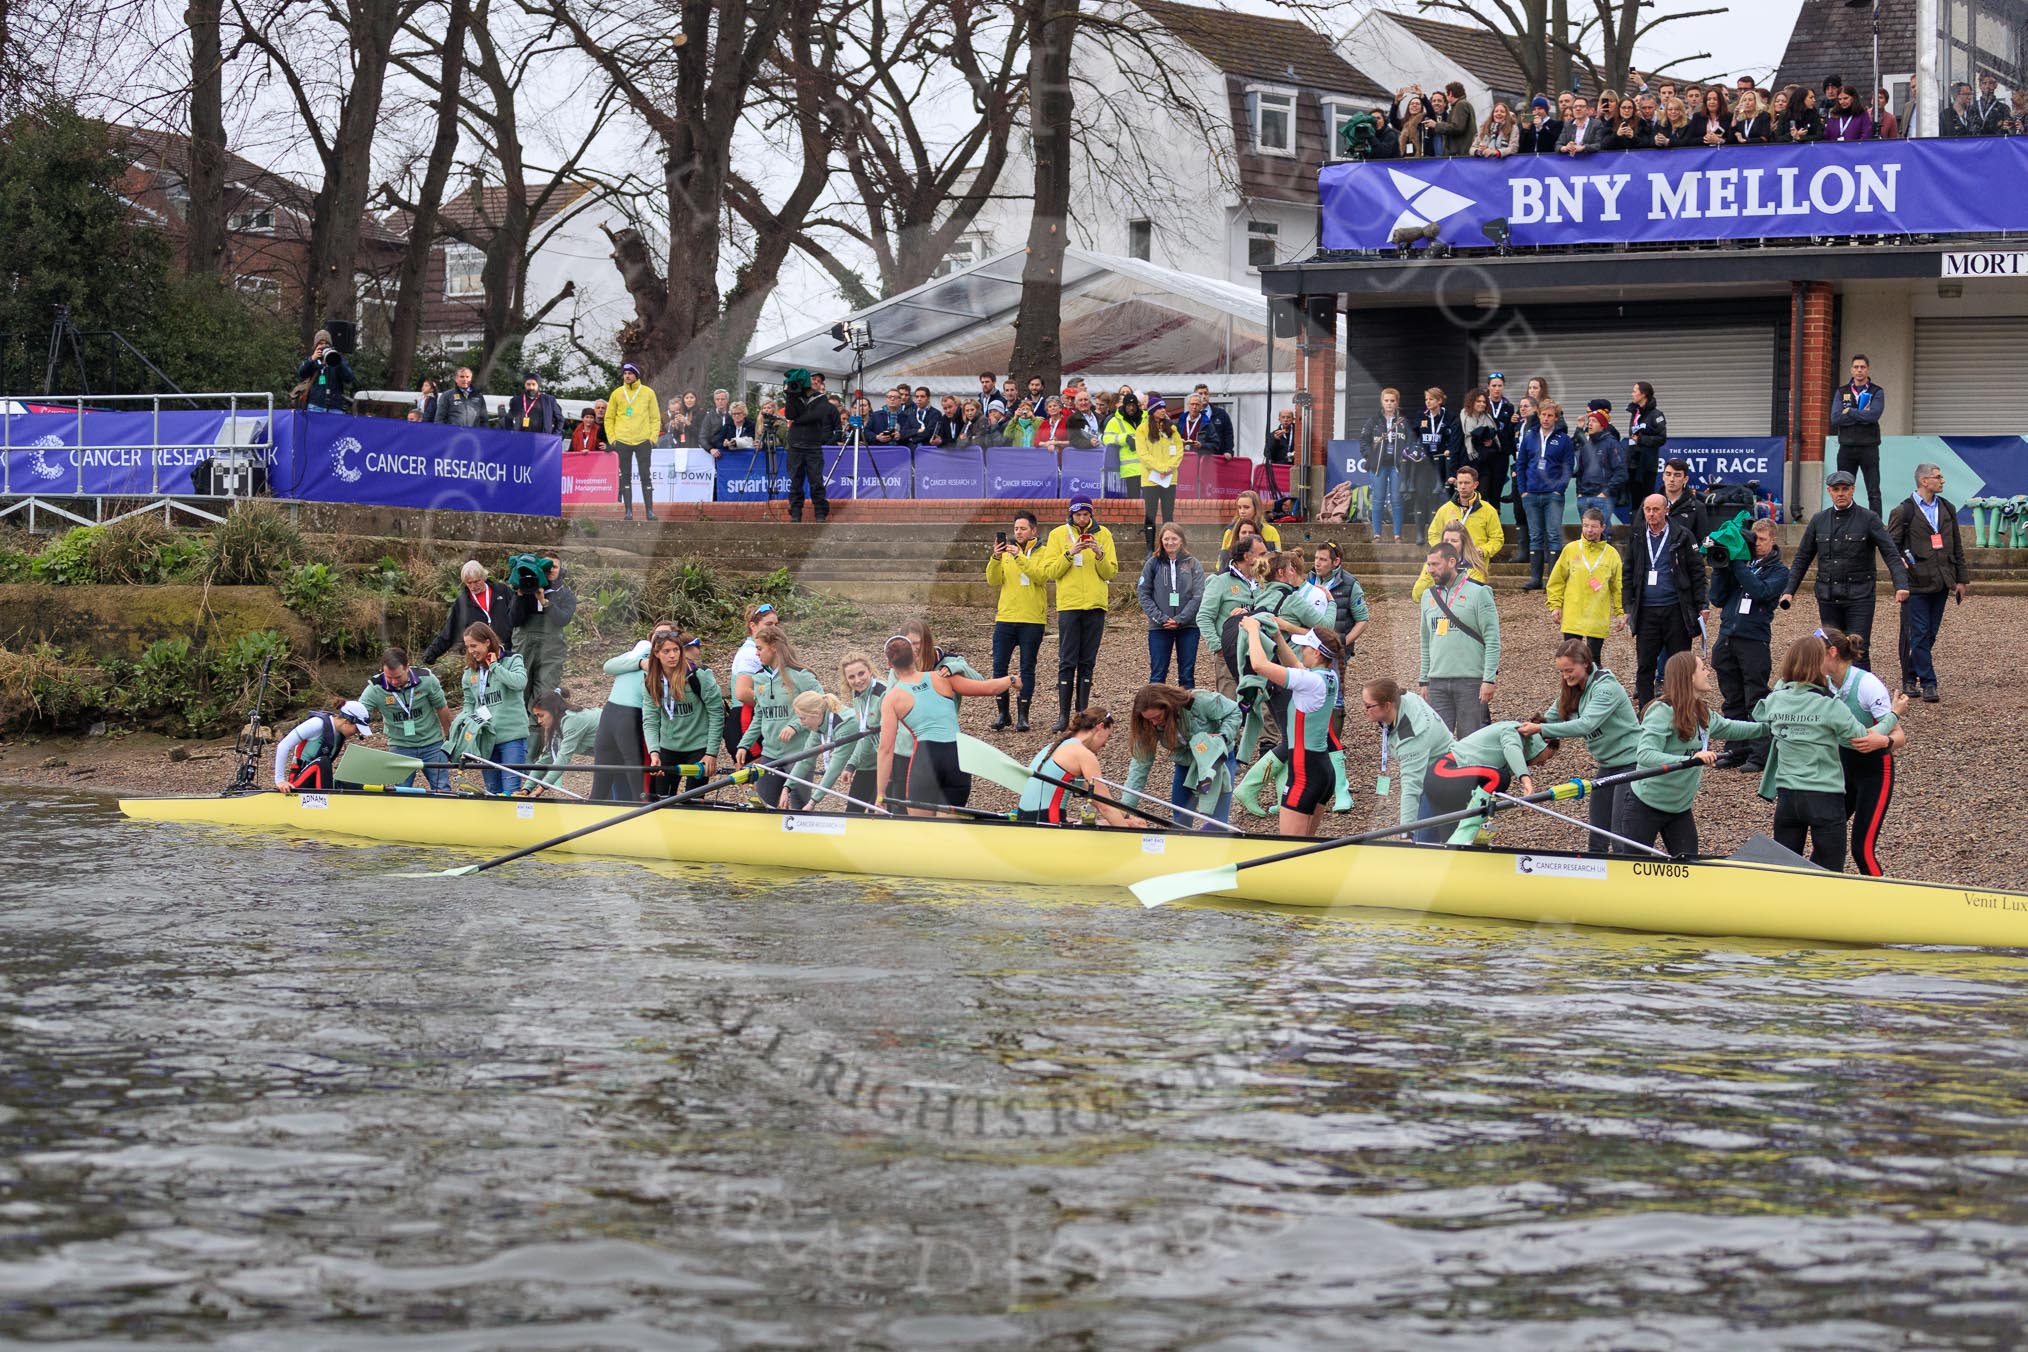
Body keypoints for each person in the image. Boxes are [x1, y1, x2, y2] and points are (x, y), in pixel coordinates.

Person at [1752, 633, 1891, 872]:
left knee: (1784, 871)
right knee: (1829, 873)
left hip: (1787, 798)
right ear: (1818, 663)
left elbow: (1760, 717)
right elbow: (1863, 737)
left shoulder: (1775, 700)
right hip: (1824, 797)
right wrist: (1894, 715)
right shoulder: (1830, 705)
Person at [1618, 652, 1767, 856]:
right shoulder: (1661, 711)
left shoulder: (1701, 711)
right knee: (1633, 871)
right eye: (1703, 668)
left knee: (1690, 869)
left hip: (1679, 808)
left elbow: (1731, 728)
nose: (1708, 672)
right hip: (1645, 806)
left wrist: (1768, 728)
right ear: (1690, 678)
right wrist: (1690, 760)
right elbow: (1645, 755)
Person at [1519, 640, 1641, 853]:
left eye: (1569, 670)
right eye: (1561, 672)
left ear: (1585, 663)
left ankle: (1629, 878)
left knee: (1620, 834)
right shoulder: (1573, 689)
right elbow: (1548, 718)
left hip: (1631, 765)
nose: (1565, 676)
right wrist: (1515, 731)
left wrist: (1540, 730)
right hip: (1607, 764)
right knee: (1598, 832)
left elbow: (1586, 725)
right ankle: (1596, 877)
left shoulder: (1606, 688)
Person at [875, 633, 1015, 816]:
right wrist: (1012, 680)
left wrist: (880, 794)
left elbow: (886, 749)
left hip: (925, 761)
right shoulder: (942, 677)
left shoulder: (892, 698)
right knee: (947, 831)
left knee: (922, 832)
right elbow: (989, 687)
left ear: (889, 665)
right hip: (957, 760)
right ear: (915, 656)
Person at [1781, 469, 1909, 663]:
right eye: (1835, 489)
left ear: (1852, 490)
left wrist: (1901, 585)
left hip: (1859, 595)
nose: (1840, 493)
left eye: (1845, 489)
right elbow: (1802, 558)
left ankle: (1861, 692)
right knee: (1832, 648)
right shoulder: (1819, 520)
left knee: (1857, 648)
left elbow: (1890, 553)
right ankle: (1834, 691)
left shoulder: (1869, 518)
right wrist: (1789, 590)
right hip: (1828, 595)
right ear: (1829, 491)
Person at [1238, 617, 1343, 837]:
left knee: (1290, 849)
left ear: (1316, 653)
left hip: (1304, 774)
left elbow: (1259, 665)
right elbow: (1295, 664)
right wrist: (1277, 636)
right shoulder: (1328, 675)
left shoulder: (1310, 681)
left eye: (1305, 647)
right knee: (1306, 849)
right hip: (1322, 770)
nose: (1301, 650)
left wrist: (1253, 631)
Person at [1822, 627, 1908, 877]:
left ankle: (1883, 905)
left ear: (1833, 653)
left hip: (1875, 771)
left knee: (1862, 848)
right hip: (1843, 767)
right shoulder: (1823, 683)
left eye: (1816, 654)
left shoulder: (1867, 685)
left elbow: (1900, 737)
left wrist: (1881, 742)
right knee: (1826, 837)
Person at [1886, 462, 1968, 702]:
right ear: (1924, 481)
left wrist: (1961, 579)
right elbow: (1891, 547)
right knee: (1920, 632)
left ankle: (1911, 676)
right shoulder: (1904, 511)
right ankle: (1929, 682)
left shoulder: (1947, 507)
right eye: (1937, 477)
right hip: (1915, 583)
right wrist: (1900, 567)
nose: (1942, 481)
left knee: (1930, 633)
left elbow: (1957, 544)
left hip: (1942, 580)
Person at [1616, 493, 1709, 707]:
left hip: (1676, 609)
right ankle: (1646, 711)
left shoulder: (1682, 535)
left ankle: (1680, 708)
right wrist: (1628, 606)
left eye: (1656, 509)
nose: (1651, 514)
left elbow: (1697, 572)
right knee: (1645, 665)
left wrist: (1702, 605)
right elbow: (1628, 571)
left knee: (1680, 665)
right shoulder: (1638, 535)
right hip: (1647, 610)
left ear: (1666, 510)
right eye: (1647, 509)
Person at [1709, 517, 1786, 773]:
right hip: (1727, 635)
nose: (1757, 544)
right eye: (1754, 538)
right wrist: (1722, 567)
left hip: (1754, 640)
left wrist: (1738, 563)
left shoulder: (1780, 572)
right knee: (1732, 698)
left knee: (1756, 698)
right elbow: (1717, 598)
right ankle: (1735, 749)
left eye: (1762, 540)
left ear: (1773, 540)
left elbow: (1760, 591)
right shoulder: (1740, 564)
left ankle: (1759, 753)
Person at [1038, 495, 1118, 730]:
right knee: (1067, 659)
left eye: (1086, 514)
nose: (1082, 519)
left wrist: (1099, 554)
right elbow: (1051, 571)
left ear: (1091, 514)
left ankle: (1082, 712)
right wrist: (1069, 553)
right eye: (1078, 515)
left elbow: (1110, 572)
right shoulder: (1057, 535)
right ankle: (1063, 714)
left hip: (1095, 605)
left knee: (1087, 661)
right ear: (1071, 514)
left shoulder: (1104, 534)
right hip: (1070, 605)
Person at [1416, 723, 1559, 845]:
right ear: (1543, 742)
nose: (1544, 764)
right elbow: (1511, 748)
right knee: (1498, 777)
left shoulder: (1507, 759)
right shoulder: (1513, 730)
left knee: (1451, 844)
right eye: (1549, 756)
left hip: (1453, 788)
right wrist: (1526, 780)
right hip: (1442, 772)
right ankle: (1468, 834)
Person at [1124, 683, 1244, 829]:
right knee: (1180, 821)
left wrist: (1223, 737)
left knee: (1217, 823)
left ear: (1167, 706)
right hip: (1186, 765)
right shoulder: (1148, 724)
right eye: (1149, 720)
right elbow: (1140, 766)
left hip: (1216, 762)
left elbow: (1234, 711)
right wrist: (1125, 809)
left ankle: (1206, 848)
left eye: (1157, 717)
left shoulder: (1199, 701)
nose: (1154, 723)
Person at [1418, 540, 1500, 736]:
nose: (1430, 570)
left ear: (1452, 562)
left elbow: (1492, 639)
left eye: (1435, 564)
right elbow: (1425, 640)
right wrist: (1424, 680)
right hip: (1437, 682)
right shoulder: (1427, 596)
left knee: (1470, 742)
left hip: (1470, 681)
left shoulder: (1479, 592)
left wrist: (1489, 679)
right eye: (1428, 564)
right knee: (1438, 743)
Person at [735, 629, 824, 808]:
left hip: (798, 753)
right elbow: (760, 715)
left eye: (760, 648)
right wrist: (744, 745)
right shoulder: (759, 678)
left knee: (800, 805)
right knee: (764, 807)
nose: (756, 652)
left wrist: (794, 726)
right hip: (770, 754)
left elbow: (821, 704)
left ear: (774, 647)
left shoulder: (801, 675)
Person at [1016, 710, 1150, 827]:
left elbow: (1098, 798)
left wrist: (1127, 817)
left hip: (1026, 819)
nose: (1105, 744)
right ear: (1100, 727)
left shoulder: (1054, 747)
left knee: (1111, 822)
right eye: (1107, 736)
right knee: (1127, 827)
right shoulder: (1083, 754)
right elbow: (1104, 806)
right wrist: (1130, 835)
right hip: (1048, 823)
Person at [1360, 676, 1454, 829]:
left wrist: (1405, 833)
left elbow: (1411, 788)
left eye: (1368, 706)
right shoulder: (1405, 697)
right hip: (1434, 765)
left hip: (1440, 779)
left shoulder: (1411, 738)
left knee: (1422, 839)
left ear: (1387, 705)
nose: (1363, 710)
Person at [641, 629, 722, 798]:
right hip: (668, 747)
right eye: (666, 651)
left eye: (676, 650)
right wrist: (654, 753)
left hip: (698, 747)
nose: (672, 655)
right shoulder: (651, 681)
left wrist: (711, 753)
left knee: (693, 801)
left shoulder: (699, 676)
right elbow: (650, 719)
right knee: (661, 800)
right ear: (656, 653)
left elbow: (716, 713)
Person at [594, 625, 671, 804]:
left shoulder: (667, 657)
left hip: (632, 714)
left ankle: (641, 813)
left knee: (636, 777)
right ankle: (593, 817)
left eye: (666, 634)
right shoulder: (641, 650)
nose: (661, 637)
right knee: (601, 778)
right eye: (658, 634)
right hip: (611, 713)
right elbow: (608, 666)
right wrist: (638, 663)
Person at [357, 646, 451, 791]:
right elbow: (360, 711)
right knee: (400, 791)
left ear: (407, 667)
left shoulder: (427, 679)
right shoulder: (375, 687)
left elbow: (442, 708)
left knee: (442, 788)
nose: (394, 682)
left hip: (432, 744)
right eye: (389, 677)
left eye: (398, 677)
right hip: (400, 747)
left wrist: (449, 738)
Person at [987, 511, 1047, 731]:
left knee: (1027, 667)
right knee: (999, 666)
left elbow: (1041, 576)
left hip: (1032, 619)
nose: (1018, 533)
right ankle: (1003, 713)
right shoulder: (1004, 554)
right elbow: (993, 580)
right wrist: (995, 557)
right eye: (1015, 529)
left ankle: (1023, 715)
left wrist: (1019, 557)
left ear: (1033, 530)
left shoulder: (1045, 552)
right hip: (1005, 617)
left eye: (1023, 528)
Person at [455, 622, 529, 795]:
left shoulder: (513, 660)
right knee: (492, 791)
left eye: (474, 645)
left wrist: (495, 667)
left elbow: (519, 683)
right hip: (486, 738)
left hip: (512, 737)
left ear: (487, 642)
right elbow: (469, 703)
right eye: (467, 647)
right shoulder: (469, 672)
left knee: (511, 790)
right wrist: (465, 720)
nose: (471, 651)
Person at [1308, 541, 1371, 740]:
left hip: (1336, 651)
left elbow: (1362, 619)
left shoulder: (1350, 584)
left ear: (1336, 562)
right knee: (1311, 691)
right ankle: (1313, 737)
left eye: (1323, 560)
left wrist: (1342, 644)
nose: (1317, 563)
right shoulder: (1308, 580)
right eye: (1316, 558)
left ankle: (1332, 742)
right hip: (1311, 648)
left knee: (1335, 695)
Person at [1546, 507, 1623, 666]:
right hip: (1573, 614)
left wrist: (1620, 612)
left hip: (1597, 615)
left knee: (1593, 661)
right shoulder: (1571, 549)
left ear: (1603, 527)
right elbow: (1557, 580)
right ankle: (1571, 691)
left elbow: (1618, 586)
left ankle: (1594, 690)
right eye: (1586, 525)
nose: (1589, 530)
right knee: (1571, 660)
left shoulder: (1611, 554)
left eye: (1594, 526)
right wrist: (1555, 605)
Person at [1197, 533, 1266, 704]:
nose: (1267, 558)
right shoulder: (1220, 582)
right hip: (1229, 655)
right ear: (1247, 556)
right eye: (1262, 554)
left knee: (1263, 709)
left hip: (1260, 654)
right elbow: (1204, 617)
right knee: (1230, 709)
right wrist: (1218, 647)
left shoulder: (1265, 582)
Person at [815, 652, 884, 812]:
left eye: (861, 673)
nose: (858, 680)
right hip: (872, 760)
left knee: (878, 812)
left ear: (870, 670)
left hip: (891, 761)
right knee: (852, 812)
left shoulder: (883, 693)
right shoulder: (858, 695)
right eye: (851, 677)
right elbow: (866, 734)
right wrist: (852, 765)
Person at [1138, 523, 1205, 688]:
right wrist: (1161, 618)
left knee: (1187, 675)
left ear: (1181, 540)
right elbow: (1144, 594)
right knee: (1157, 675)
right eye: (1166, 538)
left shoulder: (1192, 563)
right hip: (1160, 627)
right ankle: (1157, 712)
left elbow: (1199, 595)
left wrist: (1181, 619)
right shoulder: (1153, 564)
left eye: (1174, 538)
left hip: (1188, 626)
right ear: (1161, 540)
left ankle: (1186, 713)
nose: (1170, 542)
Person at [1516, 399, 1573, 591]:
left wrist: (1560, 488)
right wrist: (1523, 489)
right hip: (1531, 493)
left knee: (1554, 535)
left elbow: (1568, 466)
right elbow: (1521, 464)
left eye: (1550, 415)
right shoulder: (1529, 436)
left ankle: (1553, 580)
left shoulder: (1563, 439)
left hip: (1553, 495)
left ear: (1556, 417)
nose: (1546, 418)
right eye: (1543, 414)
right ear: (1538, 415)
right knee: (1535, 536)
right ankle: (1535, 578)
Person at [509, 557, 575, 713]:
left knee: (546, 692)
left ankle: (538, 731)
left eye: (555, 567)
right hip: (525, 644)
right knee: (521, 687)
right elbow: (514, 620)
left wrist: (544, 601)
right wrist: (520, 596)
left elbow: (563, 619)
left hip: (551, 647)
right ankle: (518, 727)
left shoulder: (565, 594)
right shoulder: (524, 589)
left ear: (562, 570)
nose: (551, 570)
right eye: (547, 567)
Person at [421, 560, 515, 664]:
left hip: (507, 650)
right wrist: (430, 654)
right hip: (479, 656)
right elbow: (449, 632)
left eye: (476, 581)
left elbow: (517, 615)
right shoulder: (462, 603)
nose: (473, 586)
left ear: (483, 577)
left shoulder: (502, 591)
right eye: (469, 583)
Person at [273, 698, 373, 792]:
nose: (357, 733)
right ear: (346, 721)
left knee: (349, 783)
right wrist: (280, 781)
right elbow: (283, 746)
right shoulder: (317, 724)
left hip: (317, 781)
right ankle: (327, 801)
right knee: (324, 761)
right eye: (357, 729)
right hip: (298, 781)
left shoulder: (339, 733)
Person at [1831, 355, 1887, 517]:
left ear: (1867, 369)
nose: (1859, 370)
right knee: (1842, 489)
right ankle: (1843, 520)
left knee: (1873, 490)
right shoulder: (1842, 391)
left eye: (1862, 367)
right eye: (1856, 367)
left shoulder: (1876, 391)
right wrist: (1862, 414)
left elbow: (1873, 416)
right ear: (1851, 370)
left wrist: (1850, 412)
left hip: (1869, 447)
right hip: (1846, 448)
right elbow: (1835, 419)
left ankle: (1876, 526)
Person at [520, 688, 601, 798]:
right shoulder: (555, 724)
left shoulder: (572, 720)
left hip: (622, 741)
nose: (539, 721)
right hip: (608, 752)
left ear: (553, 711)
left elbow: (563, 758)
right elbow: (546, 758)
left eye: (541, 715)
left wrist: (541, 788)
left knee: (604, 795)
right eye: (537, 716)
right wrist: (527, 788)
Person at [783, 370, 841, 524]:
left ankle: (820, 512)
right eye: (813, 379)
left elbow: (810, 417)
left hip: (813, 447)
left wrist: (796, 419)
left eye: (819, 381)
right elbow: (789, 414)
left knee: (816, 481)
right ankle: (795, 513)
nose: (816, 382)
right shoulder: (797, 397)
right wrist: (791, 394)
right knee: (795, 481)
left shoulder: (823, 402)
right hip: (795, 446)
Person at [605, 362, 660, 521]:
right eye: (625, 373)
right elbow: (609, 418)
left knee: (645, 475)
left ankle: (649, 511)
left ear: (636, 375)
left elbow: (655, 418)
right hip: (622, 440)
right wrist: (613, 440)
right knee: (625, 476)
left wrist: (652, 439)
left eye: (630, 373)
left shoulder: (648, 393)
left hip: (643, 440)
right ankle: (628, 511)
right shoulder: (616, 393)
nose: (627, 376)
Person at [727, 601, 780, 755]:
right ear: (753, 626)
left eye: (776, 624)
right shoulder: (750, 653)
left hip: (752, 717)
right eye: (769, 624)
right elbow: (742, 693)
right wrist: (775, 706)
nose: (774, 629)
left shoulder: (758, 650)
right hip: (746, 718)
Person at [1427, 464, 1505, 567]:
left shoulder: (1488, 510)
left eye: (1467, 483)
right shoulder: (1445, 509)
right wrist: (1442, 550)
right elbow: (1433, 534)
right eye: (1460, 483)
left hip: (1475, 566)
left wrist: (1483, 550)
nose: (1463, 486)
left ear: (1475, 484)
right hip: (1448, 567)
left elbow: (1497, 539)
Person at [1362, 388, 1413, 543]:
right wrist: (1370, 458)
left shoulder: (1404, 422)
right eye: (1386, 400)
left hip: (1397, 466)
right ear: (1381, 402)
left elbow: (1411, 443)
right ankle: (1377, 534)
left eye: (1392, 401)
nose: (1389, 404)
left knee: (1397, 499)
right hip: (1378, 466)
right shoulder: (1373, 421)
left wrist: (1406, 458)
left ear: (1397, 402)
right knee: (1378, 499)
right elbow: (1364, 442)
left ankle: (1397, 535)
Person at [1136, 400, 1187, 549]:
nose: (1163, 410)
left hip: (1169, 478)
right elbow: (1143, 454)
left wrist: (1170, 467)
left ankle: (1168, 546)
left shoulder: (1171, 427)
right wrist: (1160, 468)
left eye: (1164, 407)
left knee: (1168, 514)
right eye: (1160, 408)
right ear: (1152, 411)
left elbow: (1179, 449)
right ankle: (1150, 548)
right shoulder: (1142, 429)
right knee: (1150, 513)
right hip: (1150, 479)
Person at [1411, 387, 1461, 537]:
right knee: (1420, 494)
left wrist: (1449, 449)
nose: (1428, 402)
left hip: (1441, 463)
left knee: (1437, 497)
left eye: (1431, 399)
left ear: (1439, 401)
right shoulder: (1421, 416)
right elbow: (1413, 436)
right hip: (1424, 463)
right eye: (1426, 399)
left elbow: (1454, 438)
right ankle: (1420, 532)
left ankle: (1436, 531)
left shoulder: (1450, 417)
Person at [1570, 401, 1625, 525]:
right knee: (1587, 535)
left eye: (1594, 421)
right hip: (1584, 496)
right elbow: (1580, 471)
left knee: (1602, 534)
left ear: (1602, 425)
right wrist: (1579, 492)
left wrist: (1606, 492)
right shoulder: (1586, 446)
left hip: (1602, 497)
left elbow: (1621, 472)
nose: (1590, 424)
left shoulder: (1611, 444)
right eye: (1589, 421)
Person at [1623, 382, 1667, 527]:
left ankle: (1647, 528)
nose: (1632, 394)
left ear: (1643, 394)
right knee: (1634, 502)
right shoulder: (1635, 413)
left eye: (1635, 391)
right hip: (1633, 464)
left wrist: (1641, 439)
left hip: (1647, 465)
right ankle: (1635, 530)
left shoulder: (1656, 415)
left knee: (1647, 500)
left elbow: (1661, 438)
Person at [295, 330, 352, 414]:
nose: (324, 346)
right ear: (316, 346)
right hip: (315, 406)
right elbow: (301, 374)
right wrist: (311, 359)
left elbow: (349, 378)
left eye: (326, 344)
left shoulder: (337, 359)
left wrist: (337, 360)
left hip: (335, 407)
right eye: (321, 344)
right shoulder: (313, 360)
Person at [1103, 391, 1144, 500]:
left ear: (1138, 406)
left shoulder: (1146, 418)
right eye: (1129, 405)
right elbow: (1106, 438)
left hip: (1148, 466)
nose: (1131, 408)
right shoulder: (1115, 421)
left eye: (1134, 405)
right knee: (1133, 501)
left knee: (1150, 501)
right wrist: (1124, 439)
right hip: (1131, 469)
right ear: (1124, 406)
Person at [1220, 490, 1282, 560]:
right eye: (1239, 507)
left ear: (1256, 509)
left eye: (1246, 507)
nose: (1242, 511)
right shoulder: (1230, 531)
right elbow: (1222, 562)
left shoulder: (1270, 531)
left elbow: (1278, 559)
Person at [500, 373, 564, 435]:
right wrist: (511, 434)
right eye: (528, 384)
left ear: (538, 385)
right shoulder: (516, 400)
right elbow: (508, 419)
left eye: (534, 384)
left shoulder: (549, 401)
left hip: (542, 440)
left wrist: (554, 436)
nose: (531, 387)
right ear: (524, 385)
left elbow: (560, 420)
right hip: (521, 439)